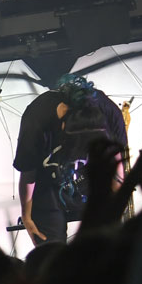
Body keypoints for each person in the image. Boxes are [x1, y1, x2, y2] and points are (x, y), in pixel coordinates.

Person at [14, 74, 127, 243]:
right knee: (50, 247)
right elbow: (28, 173)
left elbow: (116, 168)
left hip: (91, 178)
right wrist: (27, 216)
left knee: (101, 242)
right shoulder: (37, 119)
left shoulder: (110, 113)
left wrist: (116, 210)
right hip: (48, 184)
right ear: (63, 123)